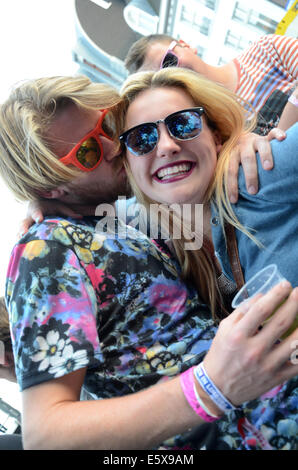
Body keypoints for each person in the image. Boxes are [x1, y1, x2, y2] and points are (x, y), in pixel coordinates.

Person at [0, 75, 298, 451]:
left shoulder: (120, 222)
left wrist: (234, 140)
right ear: (51, 185)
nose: (112, 148)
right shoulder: (48, 247)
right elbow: (46, 437)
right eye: (89, 151)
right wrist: (212, 385)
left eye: (107, 128)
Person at [125, 33, 298, 136]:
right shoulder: (206, 131)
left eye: (169, 63)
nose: (174, 75)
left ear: (186, 45)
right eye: (162, 80)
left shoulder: (264, 51)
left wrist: (280, 137)